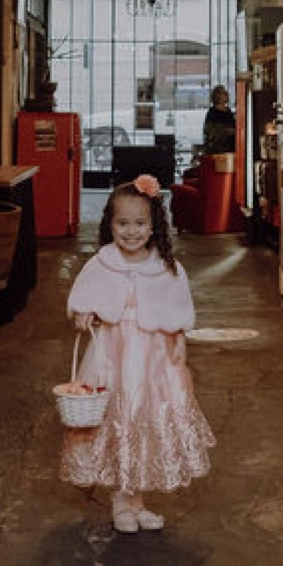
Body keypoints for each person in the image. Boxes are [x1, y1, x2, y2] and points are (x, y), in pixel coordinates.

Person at [61, 175, 215, 532]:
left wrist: (179, 340)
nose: (131, 232)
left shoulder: (164, 267)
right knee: (118, 417)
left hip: (153, 359)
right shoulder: (102, 262)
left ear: (154, 225)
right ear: (110, 224)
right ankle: (121, 498)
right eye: (123, 223)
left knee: (145, 419)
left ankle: (137, 500)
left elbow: (176, 309)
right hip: (113, 356)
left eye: (140, 224)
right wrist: (85, 313)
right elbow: (85, 303)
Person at [200, 85, 236, 158]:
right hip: (218, 151)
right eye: (223, 93)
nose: (227, 94)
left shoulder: (228, 111)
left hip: (231, 149)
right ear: (217, 97)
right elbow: (210, 132)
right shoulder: (212, 113)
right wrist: (227, 131)